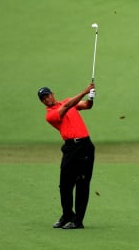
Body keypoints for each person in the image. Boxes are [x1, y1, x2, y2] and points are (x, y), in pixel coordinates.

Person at [37, 84, 96, 230]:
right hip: (70, 149)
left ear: (52, 94)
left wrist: (91, 97)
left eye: (47, 95)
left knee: (82, 184)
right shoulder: (50, 115)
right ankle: (67, 215)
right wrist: (84, 91)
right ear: (42, 102)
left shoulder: (68, 101)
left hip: (85, 146)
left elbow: (87, 106)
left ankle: (78, 221)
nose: (46, 99)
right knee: (65, 185)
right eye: (43, 98)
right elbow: (69, 105)